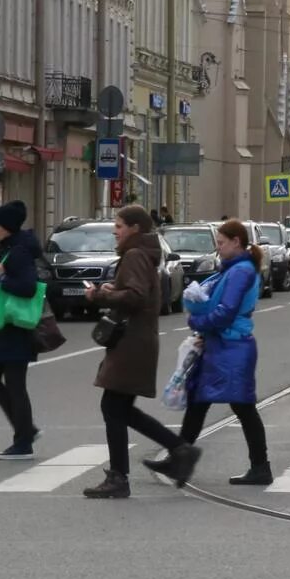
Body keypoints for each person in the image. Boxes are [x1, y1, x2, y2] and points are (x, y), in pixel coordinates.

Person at [81, 205, 199, 498]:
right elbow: (137, 292)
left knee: (113, 407)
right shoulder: (143, 254)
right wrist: (112, 289)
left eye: (119, 225)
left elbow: (136, 296)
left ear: (134, 228)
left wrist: (102, 294)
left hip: (131, 342)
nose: (114, 231)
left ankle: (121, 476)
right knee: (119, 408)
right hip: (136, 340)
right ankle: (179, 450)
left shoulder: (134, 255)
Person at [170, 219, 274, 485]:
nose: (218, 249)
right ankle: (179, 458)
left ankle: (261, 467)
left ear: (236, 242)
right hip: (223, 346)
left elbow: (226, 311)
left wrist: (197, 322)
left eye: (221, 243)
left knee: (242, 406)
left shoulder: (240, 271)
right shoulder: (233, 269)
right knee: (199, 400)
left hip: (232, 347)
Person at [0, 201, 45, 458]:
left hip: (17, 327)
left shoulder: (18, 251)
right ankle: (26, 429)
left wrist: (1, 278)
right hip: (7, 326)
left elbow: (28, 287)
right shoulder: (10, 247)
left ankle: (23, 442)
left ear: (7, 227)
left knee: (15, 385)